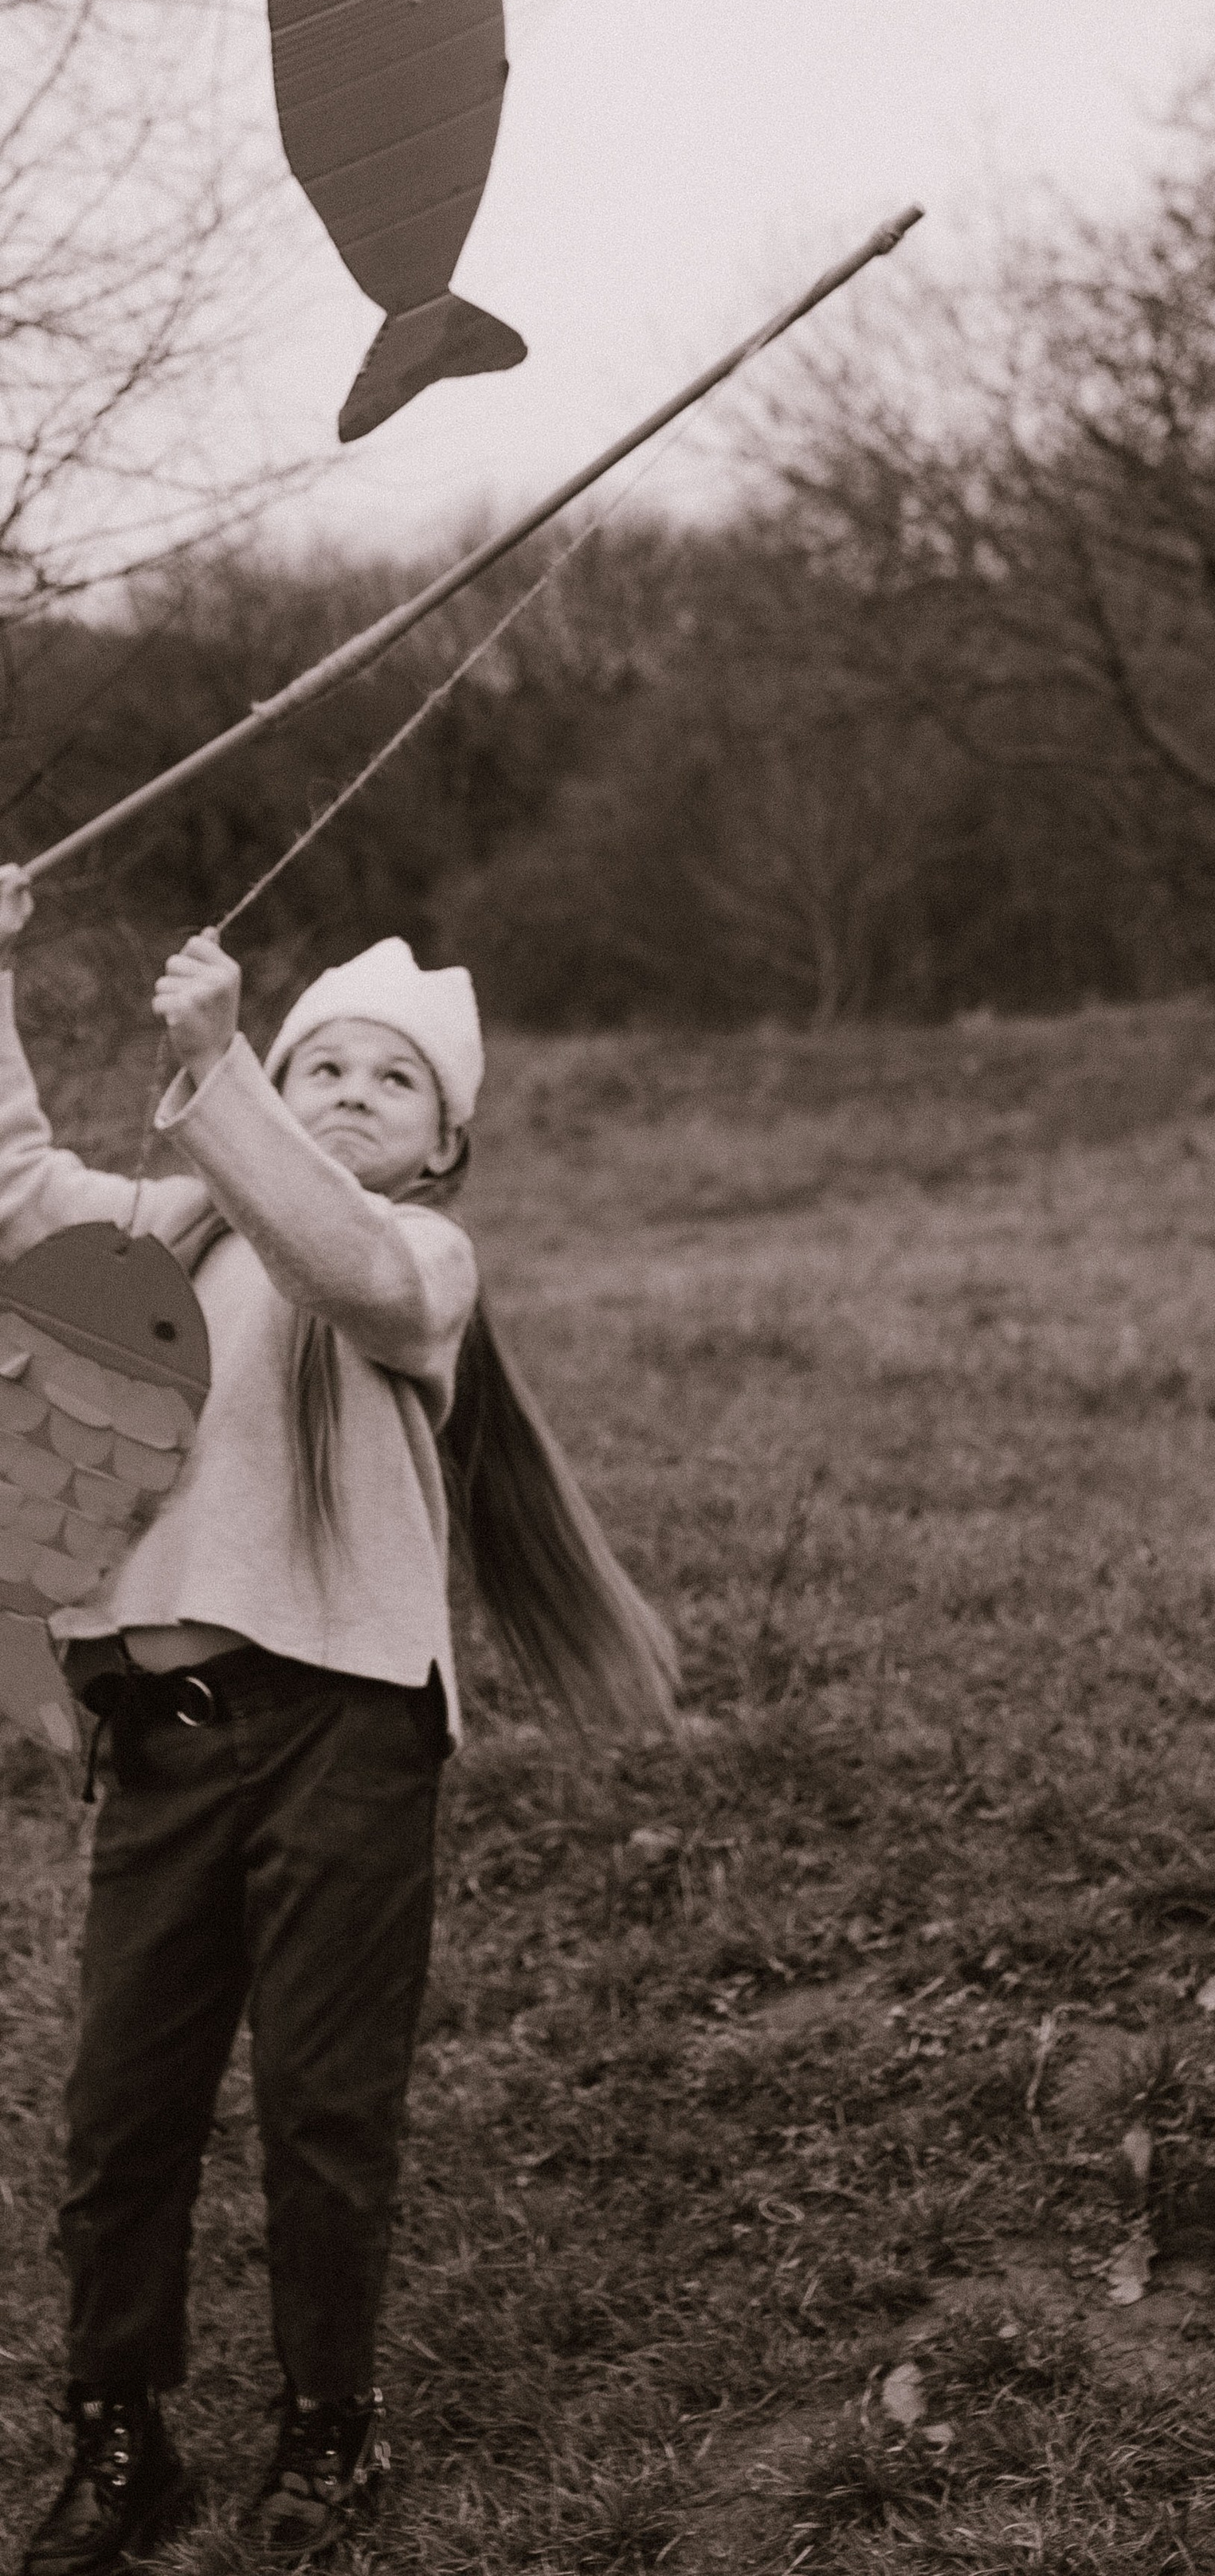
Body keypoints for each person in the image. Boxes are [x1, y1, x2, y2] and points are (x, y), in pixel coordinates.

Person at [11, 912, 676, 2573]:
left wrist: (220, 1070)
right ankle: (120, 2434)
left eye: (397, 1081)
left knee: (324, 2106)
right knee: (123, 2111)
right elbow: (13, 1184)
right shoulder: (142, 1237)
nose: (353, 1090)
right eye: (323, 1063)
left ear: (445, 1148)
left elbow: (338, 1260)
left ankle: (328, 2437)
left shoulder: (417, 1267)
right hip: (160, 1749)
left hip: (344, 1737)